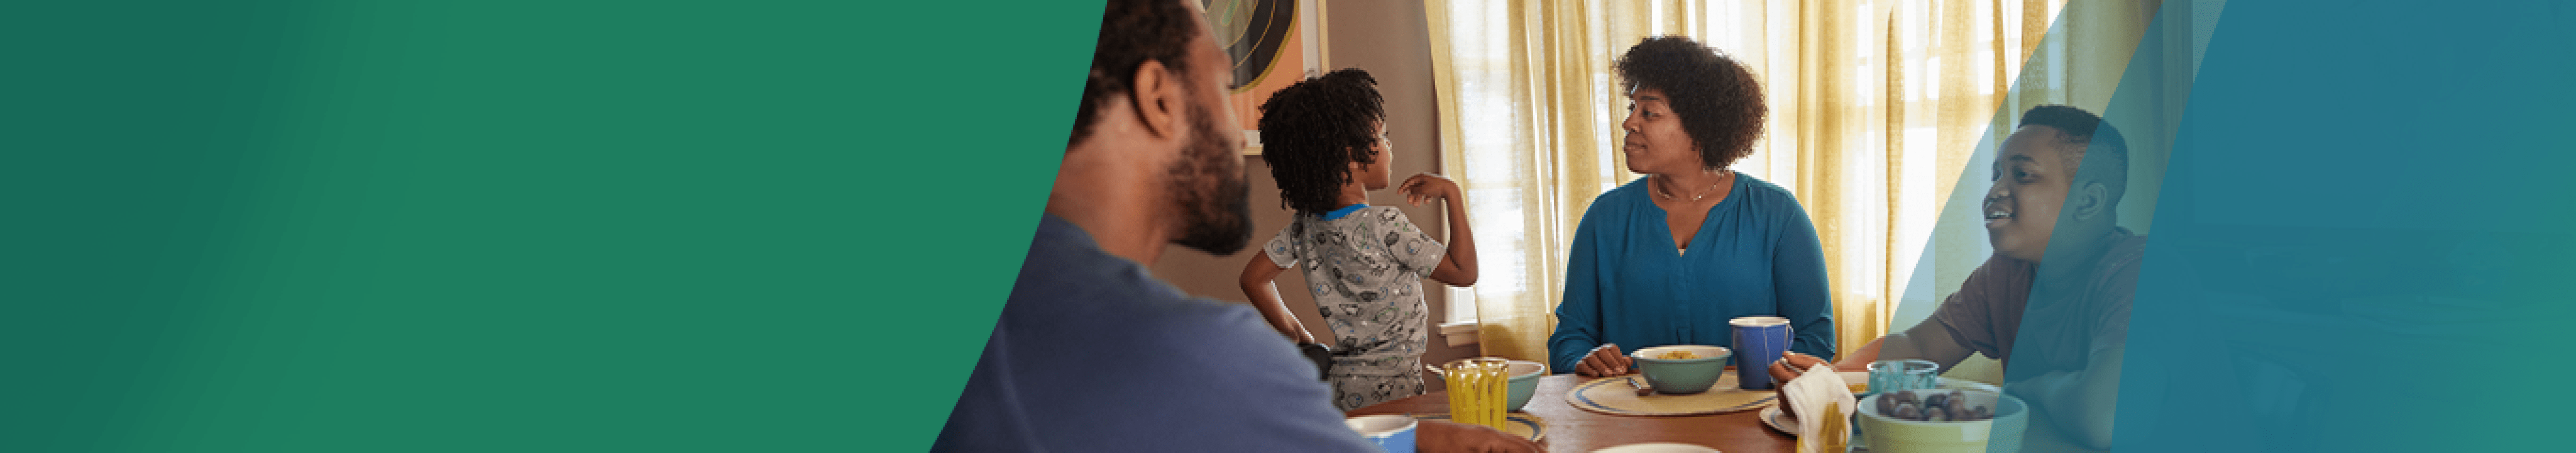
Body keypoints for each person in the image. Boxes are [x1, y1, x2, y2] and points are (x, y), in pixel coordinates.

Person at [930, 1, 1536, 451]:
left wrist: (1417, 439)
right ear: (1158, 97)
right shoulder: (1207, 360)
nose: (1237, 128)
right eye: (1223, 85)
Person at [1770, 105, 2141, 449]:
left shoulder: (2138, 272)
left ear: (2088, 202)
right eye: (1996, 175)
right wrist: (1830, 382)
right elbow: (1919, 346)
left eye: (2023, 176)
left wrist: (2031, 391)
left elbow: (2105, 416)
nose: (1994, 191)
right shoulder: (2005, 274)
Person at [1550, 36, 1836, 378]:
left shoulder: (1778, 214)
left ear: (1701, 127)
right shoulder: (1605, 217)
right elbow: (1570, 339)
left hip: (1748, 419)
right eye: (1632, 109)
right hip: (1634, 421)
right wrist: (1587, 361)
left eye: (1650, 113)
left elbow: (1814, 340)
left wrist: (1759, 379)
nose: (1629, 124)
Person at [1238, 68, 1480, 410]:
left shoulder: (1303, 228)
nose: (1389, 146)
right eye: (1382, 136)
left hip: (1339, 386)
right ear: (1352, 156)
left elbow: (1252, 279)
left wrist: (1301, 339)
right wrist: (1452, 194)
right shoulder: (1385, 226)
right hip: (1397, 388)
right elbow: (1464, 272)